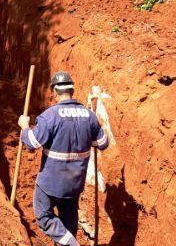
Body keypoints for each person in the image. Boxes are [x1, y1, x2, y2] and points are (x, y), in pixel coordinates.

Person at [18, 71, 109, 246]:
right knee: (68, 225)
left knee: (44, 217)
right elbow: (103, 144)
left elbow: (32, 143)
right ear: (71, 90)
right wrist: (93, 127)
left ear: (54, 91)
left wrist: (24, 127)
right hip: (75, 183)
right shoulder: (89, 116)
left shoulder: (50, 116)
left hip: (50, 183)